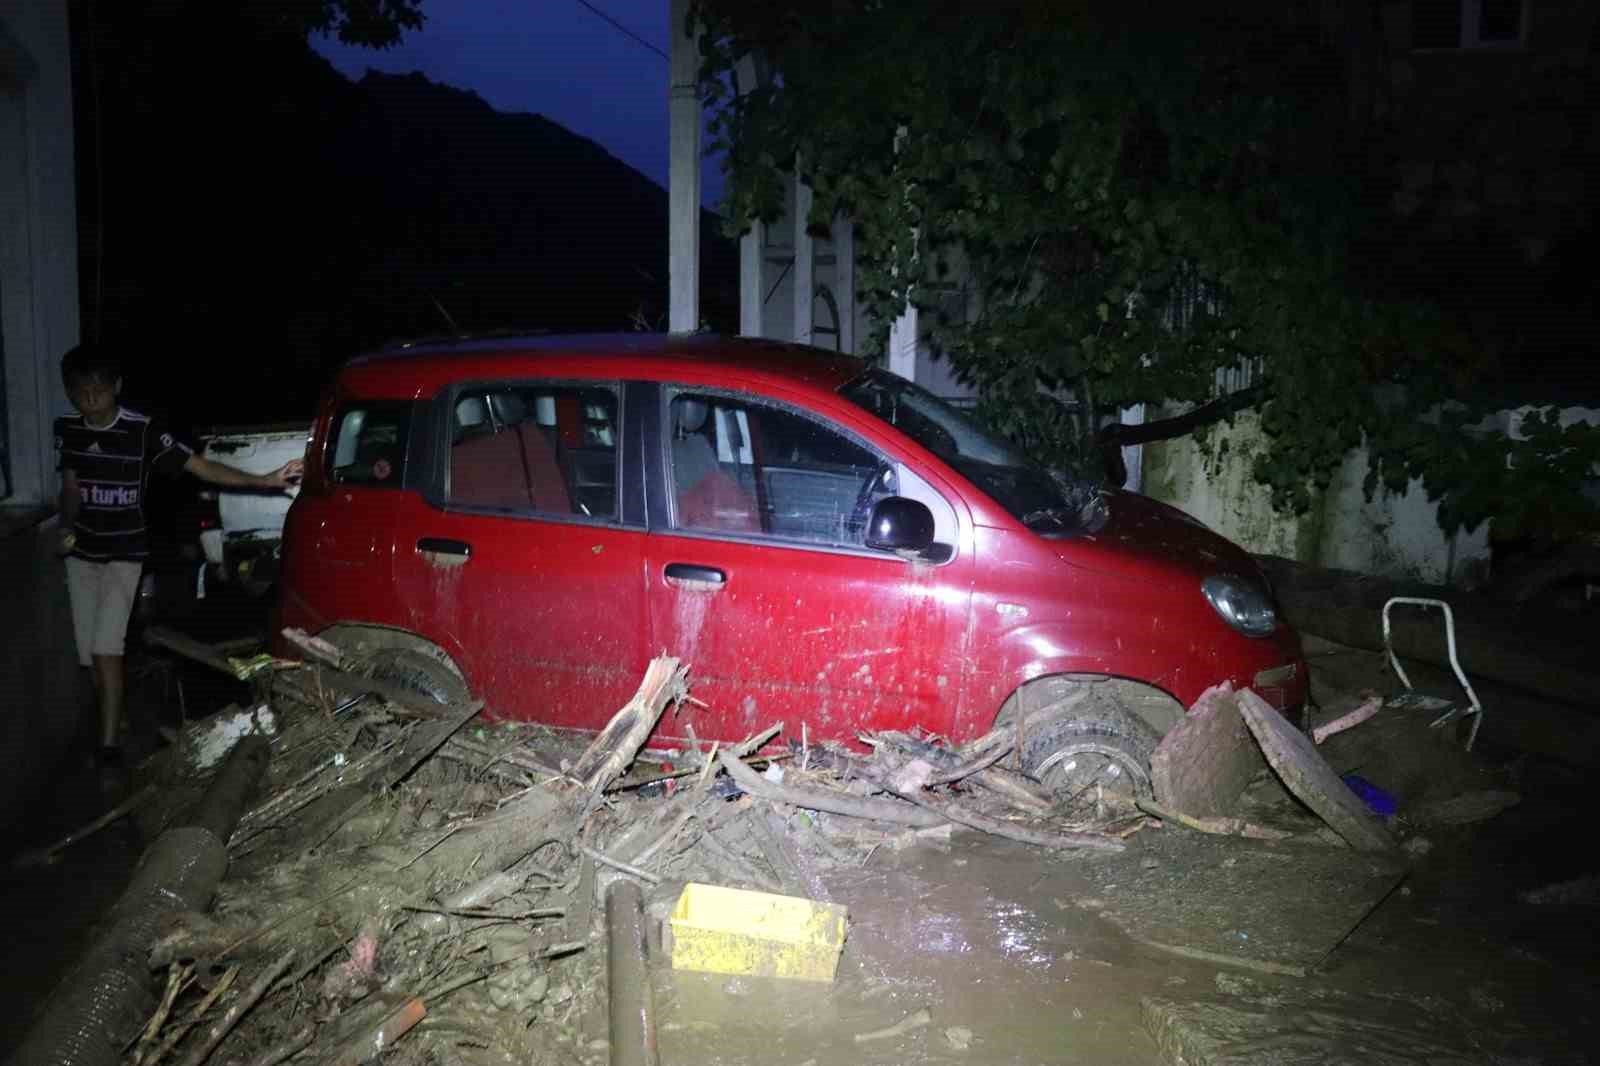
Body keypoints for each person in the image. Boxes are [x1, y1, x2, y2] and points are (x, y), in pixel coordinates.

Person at [55, 343, 304, 768]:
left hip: (124, 551)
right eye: (81, 393)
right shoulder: (69, 430)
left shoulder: (142, 430)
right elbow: (72, 487)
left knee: (105, 646)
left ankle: (109, 746)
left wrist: (263, 481)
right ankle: (117, 719)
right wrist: (66, 525)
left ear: (116, 387)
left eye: (98, 390)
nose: (91, 400)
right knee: (90, 654)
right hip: (83, 554)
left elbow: (201, 467)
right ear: (70, 393)